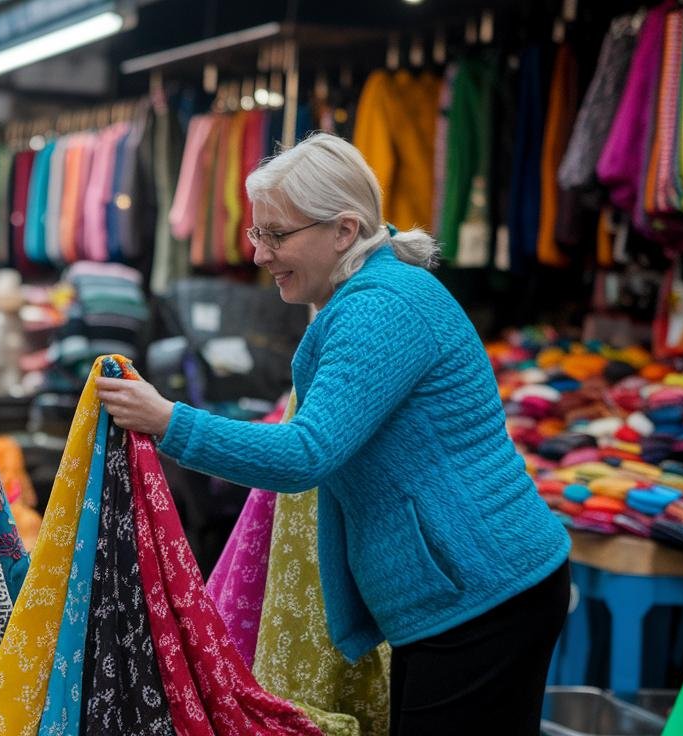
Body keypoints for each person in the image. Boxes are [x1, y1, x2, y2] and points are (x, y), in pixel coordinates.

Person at [96, 133, 571, 735]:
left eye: (276, 235)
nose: (260, 254)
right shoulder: (368, 295)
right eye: (256, 233)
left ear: (344, 231)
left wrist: (168, 421)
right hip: (465, 591)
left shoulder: (382, 309)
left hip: (482, 593)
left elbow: (306, 452)